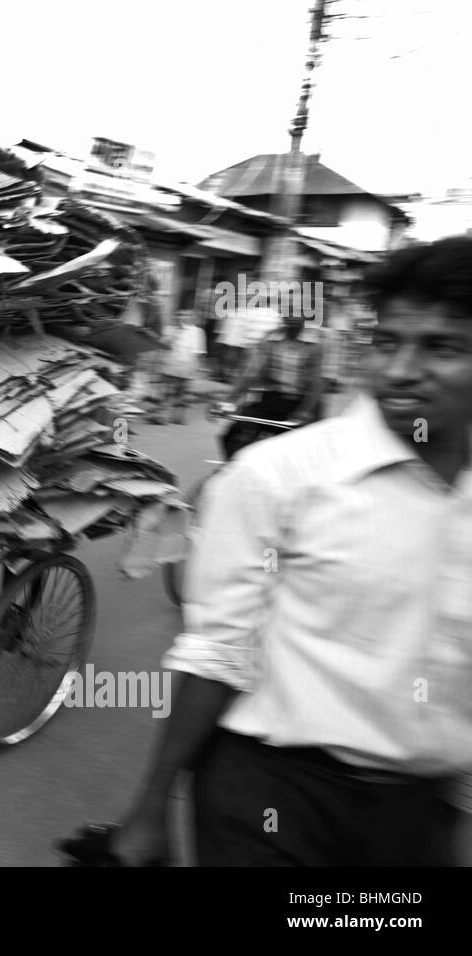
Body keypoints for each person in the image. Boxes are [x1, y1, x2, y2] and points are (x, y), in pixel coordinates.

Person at [81, 235, 472, 866]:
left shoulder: (315, 356)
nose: (401, 370)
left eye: (442, 347)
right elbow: (216, 654)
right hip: (276, 800)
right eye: (388, 342)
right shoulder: (279, 475)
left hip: (418, 814)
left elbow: (315, 391)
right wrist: (150, 809)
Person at [215, 311, 325, 459]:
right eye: (289, 311)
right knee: (232, 436)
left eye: (297, 312)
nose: (292, 316)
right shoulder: (271, 338)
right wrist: (229, 400)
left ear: (305, 316)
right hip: (272, 398)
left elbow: (316, 382)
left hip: (303, 401)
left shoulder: (315, 343)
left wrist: (305, 411)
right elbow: (252, 371)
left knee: (304, 453)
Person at [154, 313, 207, 425]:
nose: (182, 317)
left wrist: (194, 368)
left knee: (182, 393)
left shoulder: (197, 332)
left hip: (186, 366)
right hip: (170, 365)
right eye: (180, 315)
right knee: (167, 392)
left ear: (193, 318)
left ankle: (178, 417)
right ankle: (162, 416)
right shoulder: (169, 329)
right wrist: (170, 337)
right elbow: (162, 345)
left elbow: (198, 352)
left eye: (186, 315)